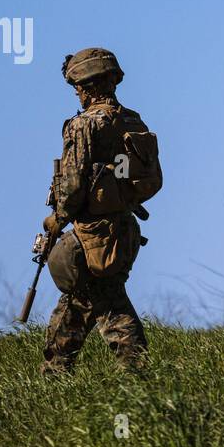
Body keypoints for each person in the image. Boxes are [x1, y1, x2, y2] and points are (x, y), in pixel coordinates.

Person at [41, 48, 159, 372]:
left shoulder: (83, 126)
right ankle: (54, 375)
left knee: (111, 307)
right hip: (123, 232)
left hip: (93, 237)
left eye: (78, 86)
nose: (77, 93)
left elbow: (74, 185)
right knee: (79, 305)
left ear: (88, 85)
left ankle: (138, 377)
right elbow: (149, 181)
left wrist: (56, 220)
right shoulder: (132, 121)